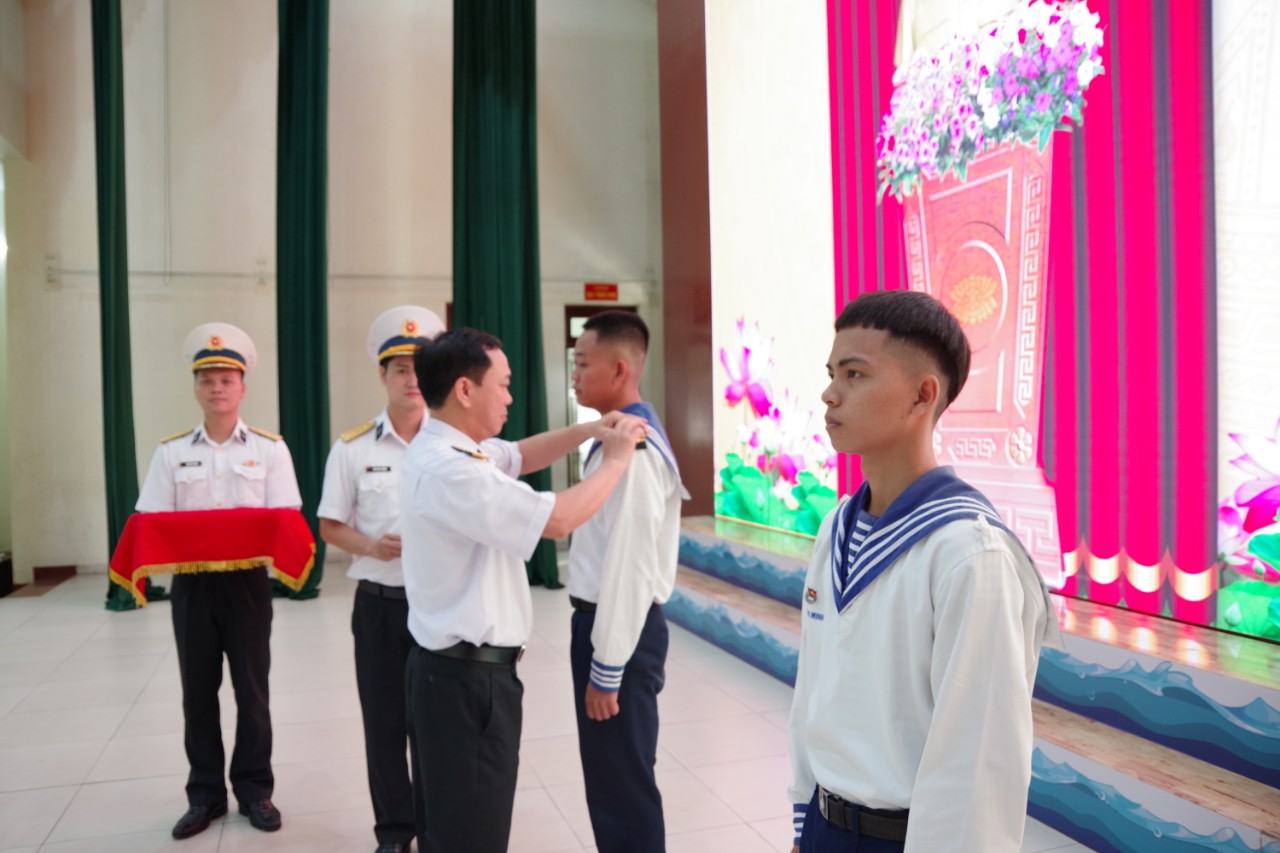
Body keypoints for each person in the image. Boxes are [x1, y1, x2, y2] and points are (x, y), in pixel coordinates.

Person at [787, 291, 1061, 853]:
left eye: (855, 374)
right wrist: (802, 818)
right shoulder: (838, 527)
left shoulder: (970, 553)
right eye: (832, 374)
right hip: (823, 826)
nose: (830, 393)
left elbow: (977, 761)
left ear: (923, 394)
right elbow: (812, 689)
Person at [400, 327, 645, 853]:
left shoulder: (448, 447)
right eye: (504, 384)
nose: (510, 397)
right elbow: (558, 520)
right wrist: (617, 460)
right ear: (465, 390)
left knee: (451, 827)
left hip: (449, 674)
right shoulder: (454, 472)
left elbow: (517, 455)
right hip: (467, 683)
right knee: (472, 835)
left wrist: (589, 431)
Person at [135, 322, 302, 840]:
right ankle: (204, 795)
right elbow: (151, 518)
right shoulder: (171, 452)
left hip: (247, 586)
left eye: (227, 379)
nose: (217, 388)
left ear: (243, 387)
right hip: (192, 586)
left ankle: (254, 789)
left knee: (252, 691)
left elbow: (286, 515)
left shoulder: (270, 450)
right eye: (206, 379)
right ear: (195, 388)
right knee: (197, 693)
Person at [316, 306, 444, 853]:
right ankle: (394, 832)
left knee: (436, 727)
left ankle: (437, 830)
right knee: (385, 725)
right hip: (379, 607)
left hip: (439, 607)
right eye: (400, 370)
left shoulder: (454, 444)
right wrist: (371, 546)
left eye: (419, 369)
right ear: (382, 375)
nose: (412, 380)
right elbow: (329, 526)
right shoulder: (353, 448)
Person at [565, 311, 687, 852]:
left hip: (620, 632)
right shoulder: (615, 436)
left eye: (582, 364)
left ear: (619, 369)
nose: (574, 375)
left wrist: (607, 668)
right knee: (611, 779)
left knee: (622, 788)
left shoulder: (633, 451)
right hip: (607, 625)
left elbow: (632, 568)